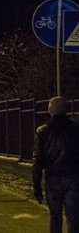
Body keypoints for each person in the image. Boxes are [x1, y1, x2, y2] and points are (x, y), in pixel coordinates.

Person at [32, 96, 79, 232]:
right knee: (74, 217)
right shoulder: (75, 129)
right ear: (66, 110)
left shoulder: (43, 131)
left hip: (52, 179)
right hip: (73, 178)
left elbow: (38, 160)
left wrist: (36, 185)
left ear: (49, 110)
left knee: (55, 216)